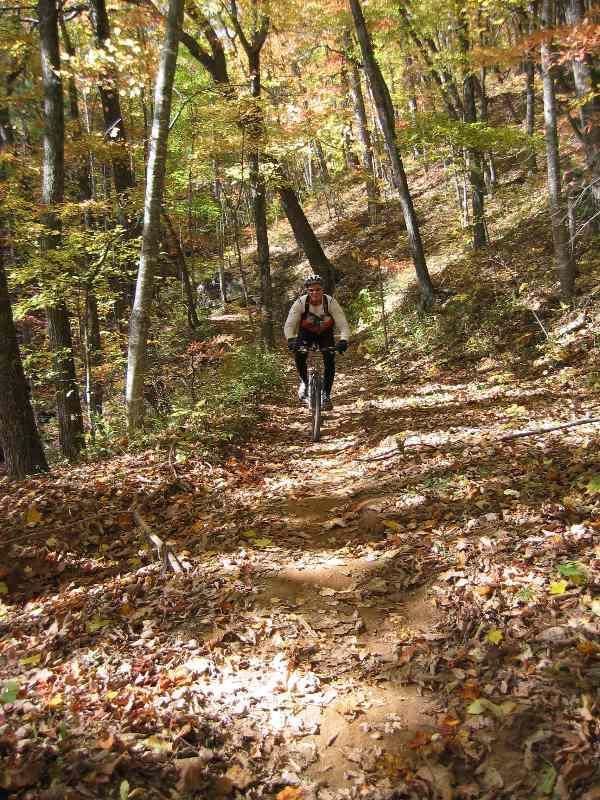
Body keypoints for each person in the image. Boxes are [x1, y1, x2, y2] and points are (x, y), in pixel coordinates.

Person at [284, 275, 350, 410]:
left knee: (329, 360)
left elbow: (343, 325)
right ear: (307, 291)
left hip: (325, 333)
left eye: (318, 290)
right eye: (311, 290)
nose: (315, 293)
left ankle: (326, 395)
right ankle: (304, 382)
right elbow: (289, 325)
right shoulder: (301, 303)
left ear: (323, 290)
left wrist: (343, 340)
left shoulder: (330, 302)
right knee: (299, 354)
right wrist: (291, 340)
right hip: (306, 333)